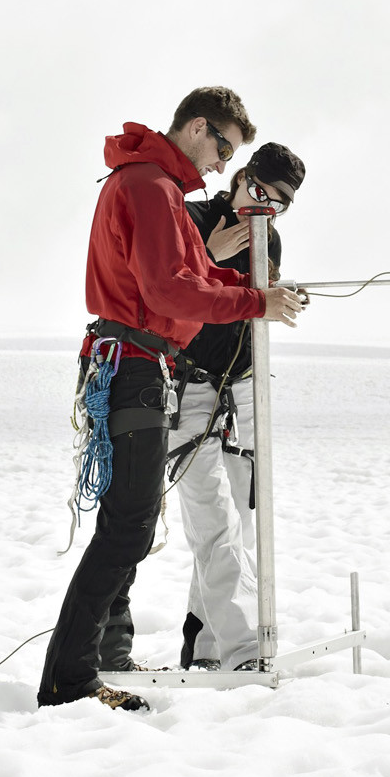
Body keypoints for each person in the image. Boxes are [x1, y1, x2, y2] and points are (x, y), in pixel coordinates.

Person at [37, 87, 305, 712]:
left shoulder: (157, 187)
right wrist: (255, 301)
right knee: (128, 528)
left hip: (139, 364)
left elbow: (195, 277)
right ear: (198, 127)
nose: (220, 164)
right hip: (136, 364)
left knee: (128, 525)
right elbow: (167, 291)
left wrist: (257, 289)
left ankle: (94, 664)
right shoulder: (152, 187)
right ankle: (70, 682)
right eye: (224, 150)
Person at [171, 140, 307, 671]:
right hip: (189, 388)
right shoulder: (190, 218)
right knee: (213, 521)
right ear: (241, 176)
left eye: (277, 203)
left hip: (245, 391)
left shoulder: (269, 238)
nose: (263, 207)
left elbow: (254, 308)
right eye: (259, 191)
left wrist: (281, 297)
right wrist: (208, 255)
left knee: (242, 524)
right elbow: (169, 294)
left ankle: (204, 645)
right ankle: (247, 650)